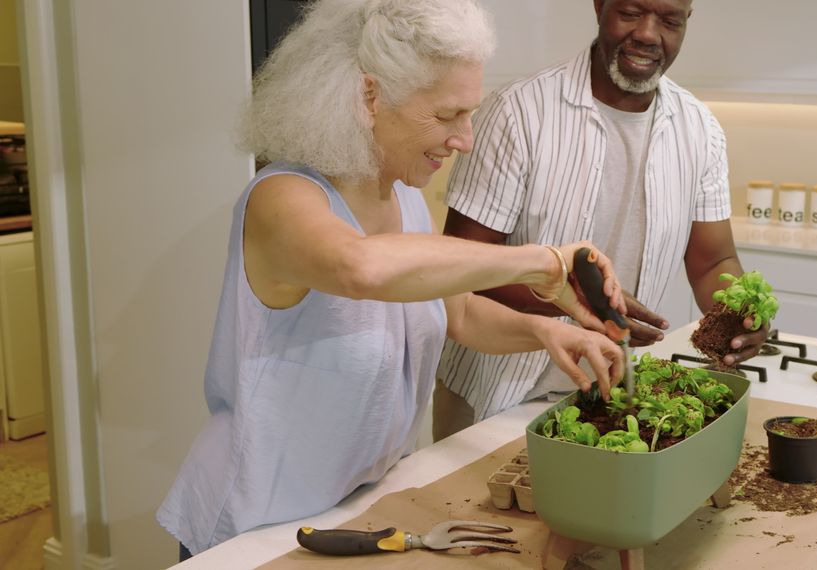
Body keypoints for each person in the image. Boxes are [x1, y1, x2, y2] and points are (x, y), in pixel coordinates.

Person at [156, 0, 629, 559]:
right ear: (368, 97)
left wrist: (547, 332)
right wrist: (542, 262)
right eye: (447, 114)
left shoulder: (402, 195)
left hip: (361, 509)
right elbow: (362, 268)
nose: (465, 139)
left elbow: (460, 313)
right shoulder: (281, 197)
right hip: (255, 525)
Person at [433, 0, 771, 441]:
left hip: (610, 397)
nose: (649, 34)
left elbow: (712, 262)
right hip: (496, 394)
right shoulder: (519, 112)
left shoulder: (700, 129)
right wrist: (575, 295)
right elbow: (463, 268)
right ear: (599, 6)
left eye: (669, 20)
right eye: (631, 11)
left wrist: (738, 315)